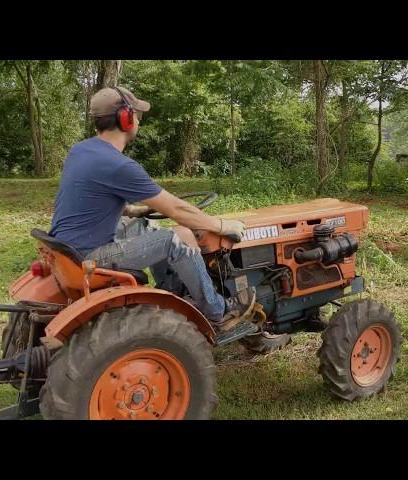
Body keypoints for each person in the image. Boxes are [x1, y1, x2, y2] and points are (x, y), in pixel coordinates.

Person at [48, 86, 256, 331]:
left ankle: (173, 293)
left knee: (146, 226)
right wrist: (222, 225)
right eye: (137, 115)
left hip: (67, 251)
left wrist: (133, 211)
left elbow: (91, 195)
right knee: (173, 241)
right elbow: (177, 209)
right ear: (125, 118)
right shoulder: (118, 165)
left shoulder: (81, 151)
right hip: (89, 256)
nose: (138, 120)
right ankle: (218, 311)